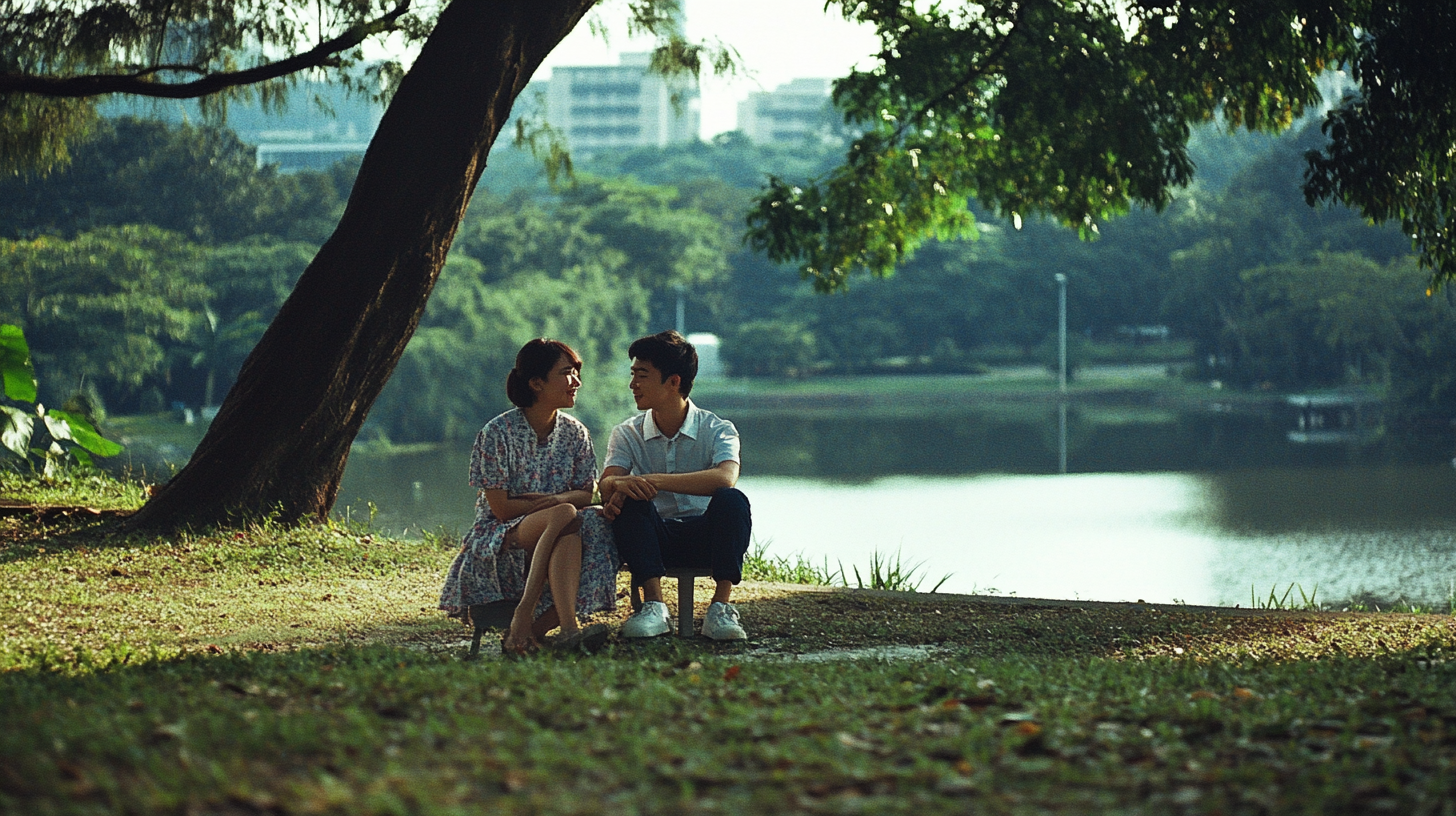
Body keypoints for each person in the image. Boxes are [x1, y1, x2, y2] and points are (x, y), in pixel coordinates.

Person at [438, 339, 616, 654]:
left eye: (576, 373)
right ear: (536, 383)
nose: (576, 382)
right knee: (566, 514)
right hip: (501, 531)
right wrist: (558, 502)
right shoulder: (497, 433)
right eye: (566, 373)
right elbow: (502, 508)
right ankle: (541, 620)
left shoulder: (576, 434)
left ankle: (529, 633)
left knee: (587, 523)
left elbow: (587, 494)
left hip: (556, 525)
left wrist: (554, 502)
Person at [600, 330, 752, 641]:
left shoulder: (718, 429)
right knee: (630, 499)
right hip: (653, 537)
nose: (633, 385)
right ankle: (654, 606)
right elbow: (607, 484)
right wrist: (621, 484)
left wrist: (652, 480)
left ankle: (720, 609)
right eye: (633, 375)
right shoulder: (626, 433)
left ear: (674, 382)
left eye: (642, 376)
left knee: (733, 500)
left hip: (706, 536)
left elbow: (725, 477)